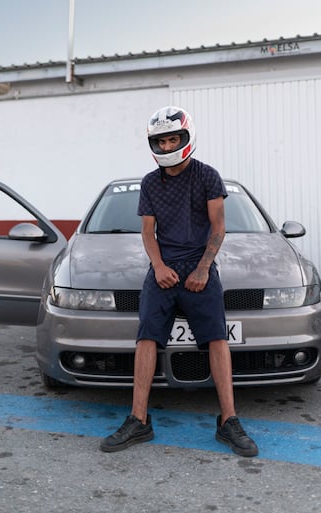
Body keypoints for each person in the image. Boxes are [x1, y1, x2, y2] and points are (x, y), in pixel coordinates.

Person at [100, 106, 258, 457]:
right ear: (153, 143)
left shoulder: (207, 176)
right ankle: (138, 419)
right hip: (164, 269)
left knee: (217, 338)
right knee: (146, 337)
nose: (168, 144)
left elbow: (218, 228)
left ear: (186, 138)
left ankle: (228, 421)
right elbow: (148, 231)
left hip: (200, 266)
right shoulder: (150, 182)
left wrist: (203, 269)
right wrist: (157, 266)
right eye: (162, 139)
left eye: (173, 138)